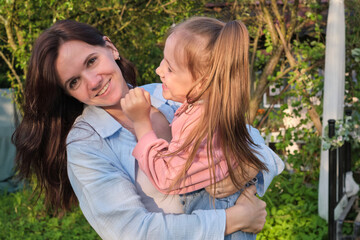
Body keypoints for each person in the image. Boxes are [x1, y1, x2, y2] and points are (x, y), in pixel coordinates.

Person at [12, 19, 277, 240]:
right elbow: (134, 232)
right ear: (68, 93)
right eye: (74, 82)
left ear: (110, 48)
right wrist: (230, 220)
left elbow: (254, 142)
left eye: (91, 61)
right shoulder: (86, 144)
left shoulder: (170, 93)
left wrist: (248, 166)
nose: (92, 82)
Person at [121, 17, 284, 240]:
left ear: (202, 82)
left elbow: (168, 178)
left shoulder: (200, 121)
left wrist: (141, 123)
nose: (159, 70)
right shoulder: (208, 109)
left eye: (169, 68)